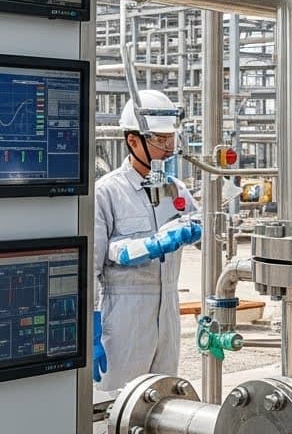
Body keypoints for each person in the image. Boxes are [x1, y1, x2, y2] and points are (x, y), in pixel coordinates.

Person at [92, 89, 199, 391]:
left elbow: (204, 226)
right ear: (133, 141)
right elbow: (90, 266)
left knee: (164, 401)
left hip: (167, 314)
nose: (168, 148)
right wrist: (90, 321)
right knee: (118, 403)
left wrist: (198, 227)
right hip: (124, 316)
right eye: (159, 140)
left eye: (171, 140)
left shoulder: (175, 188)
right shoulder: (107, 193)